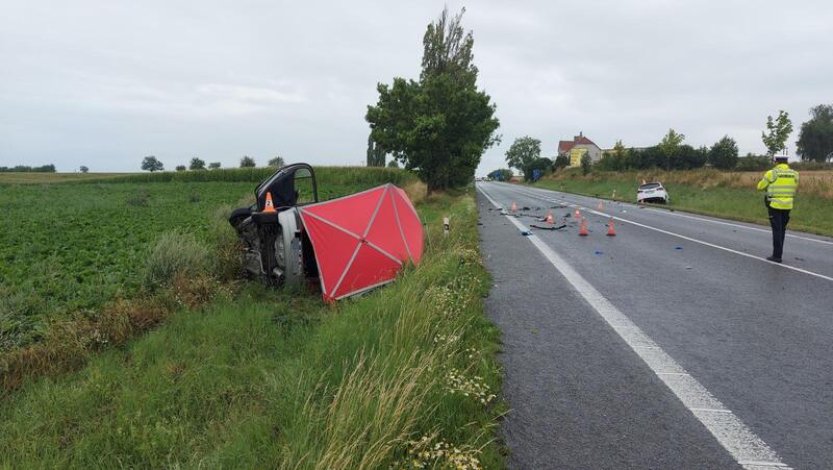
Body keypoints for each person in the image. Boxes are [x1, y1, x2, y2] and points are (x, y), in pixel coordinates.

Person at [757, 155, 799, 263]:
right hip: (788, 205)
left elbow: (760, 187)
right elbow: (794, 187)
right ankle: (779, 253)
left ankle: (777, 256)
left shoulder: (772, 173)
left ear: (776, 162)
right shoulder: (794, 174)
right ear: (786, 162)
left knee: (776, 230)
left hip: (774, 204)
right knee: (782, 229)